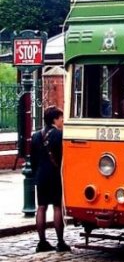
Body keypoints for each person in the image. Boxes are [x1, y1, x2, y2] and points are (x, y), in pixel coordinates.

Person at [30, 106, 71, 253]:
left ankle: (42, 242)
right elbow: (64, 158)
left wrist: (36, 174)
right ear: (55, 119)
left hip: (41, 175)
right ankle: (60, 242)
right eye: (61, 118)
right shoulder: (59, 135)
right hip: (54, 174)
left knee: (41, 207)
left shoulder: (36, 135)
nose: (62, 121)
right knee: (57, 207)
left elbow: (33, 159)